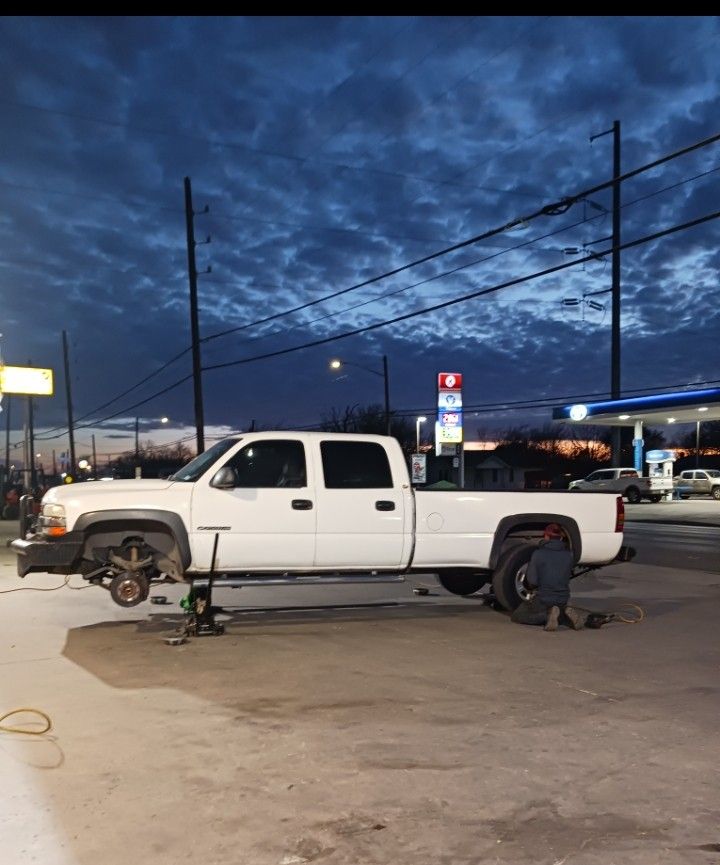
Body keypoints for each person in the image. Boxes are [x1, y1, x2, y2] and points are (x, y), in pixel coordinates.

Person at [511, 523, 586, 631]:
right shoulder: (569, 555)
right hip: (563, 599)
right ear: (561, 538)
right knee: (558, 612)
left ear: (546, 536)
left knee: (518, 615)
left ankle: (548, 616)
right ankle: (564, 615)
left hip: (543, 598)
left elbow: (532, 580)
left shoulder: (538, 554)